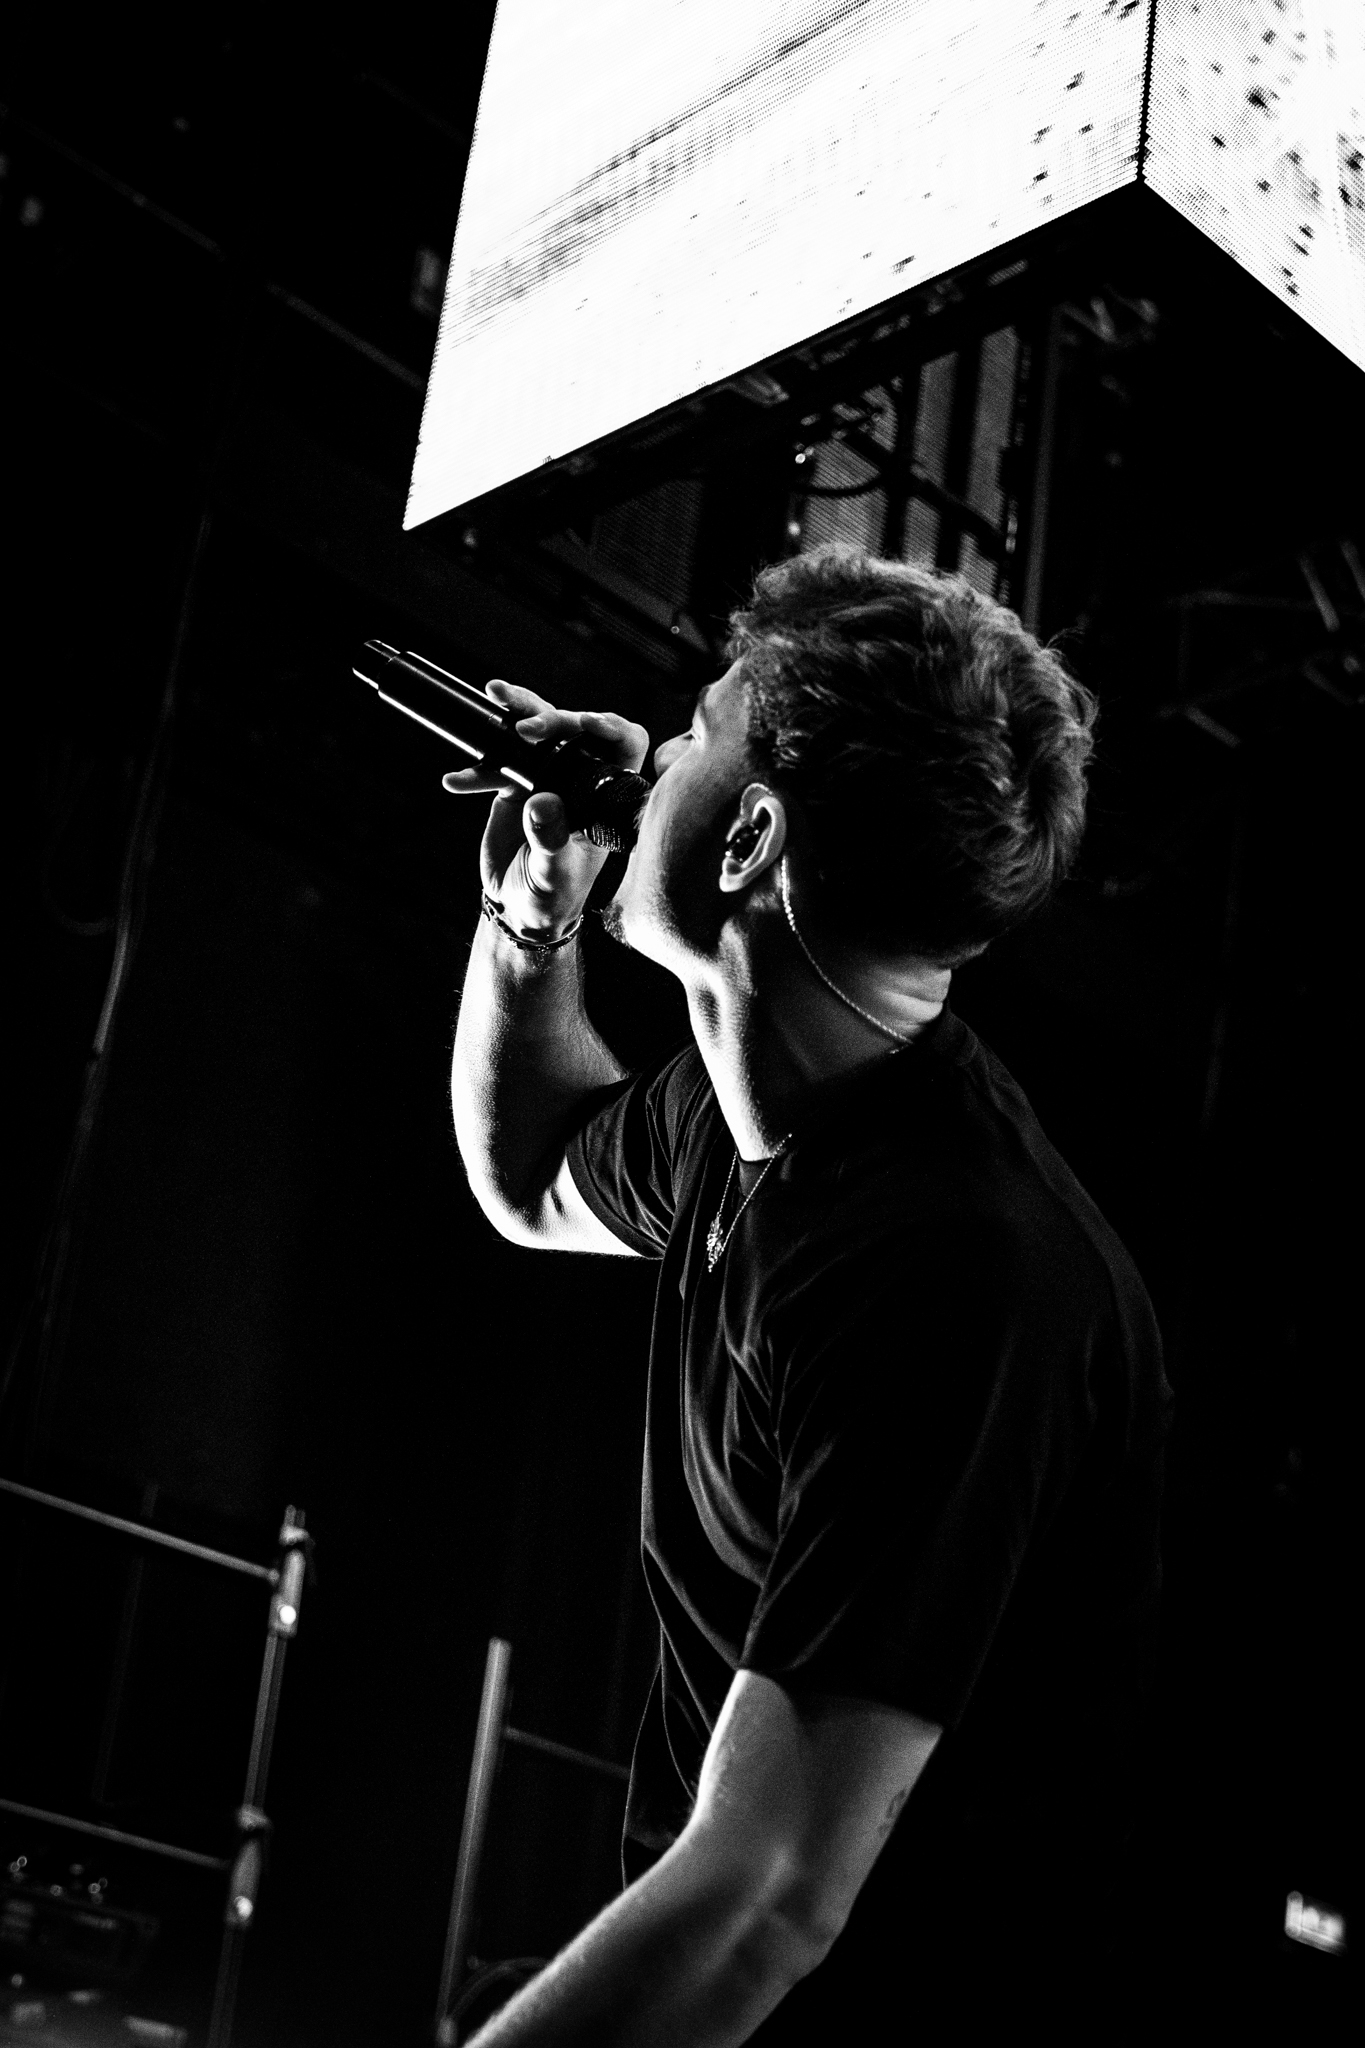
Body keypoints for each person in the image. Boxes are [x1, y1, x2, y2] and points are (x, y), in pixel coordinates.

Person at [446, 546, 1171, 2043]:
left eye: (693, 732)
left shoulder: (957, 1268)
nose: (650, 759)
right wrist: (535, 907)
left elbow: (773, 1892)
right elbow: (528, 1177)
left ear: (752, 836)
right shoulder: (745, 1116)